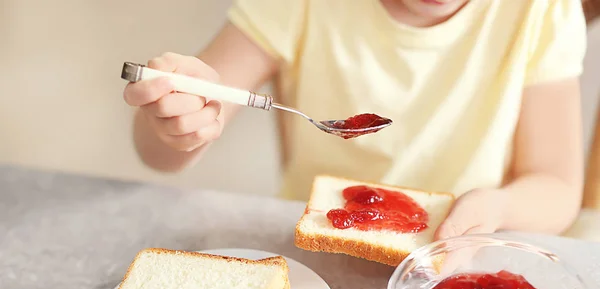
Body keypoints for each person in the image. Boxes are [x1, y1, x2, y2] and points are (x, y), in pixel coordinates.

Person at [123, 0, 588, 240]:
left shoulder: (541, 11)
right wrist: (175, 120)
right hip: (312, 258)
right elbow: (160, 155)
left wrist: (499, 208)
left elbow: (556, 186)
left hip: (460, 255)